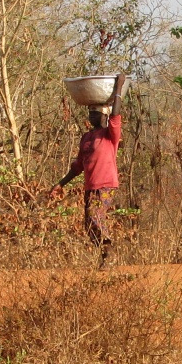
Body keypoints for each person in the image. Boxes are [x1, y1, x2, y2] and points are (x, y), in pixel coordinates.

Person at [53, 73, 127, 263]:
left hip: (106, 185)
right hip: (90, 187)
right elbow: (78, 166)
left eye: (95, 113)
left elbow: (116, 115)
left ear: (104, 115)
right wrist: (60, 184)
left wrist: (118, 87)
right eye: (90, 113)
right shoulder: (86, 138)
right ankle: (105, 254)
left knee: (95, 216)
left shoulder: (110, 135)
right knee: (88, 224)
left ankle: (109, 251)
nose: (91, 117)